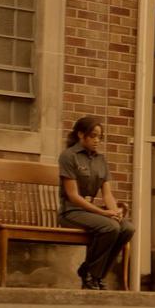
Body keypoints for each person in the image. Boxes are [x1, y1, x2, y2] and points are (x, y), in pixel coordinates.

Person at [57, 116, 134, 290]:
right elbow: (73, 196)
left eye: (100, 136)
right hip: (71, 212)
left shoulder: (101, 160)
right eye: (93, 136)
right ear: (81, 134)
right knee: (110, 227)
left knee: (127, 228)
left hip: (91, 213)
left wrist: (115, 212)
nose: (97, 140)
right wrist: (104, 214)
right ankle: (91, 274)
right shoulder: (69, 156)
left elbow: (107, 194)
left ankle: (95, 275)